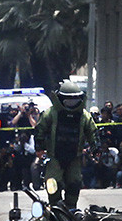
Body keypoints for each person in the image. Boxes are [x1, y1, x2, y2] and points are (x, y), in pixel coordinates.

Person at [34, 80, 98, 210]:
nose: (71, 103)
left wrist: (95, 148)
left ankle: (71, 208)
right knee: (52, 183)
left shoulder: (84, 116)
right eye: (68, 100)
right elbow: (39, 130)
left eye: (74, 100)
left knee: (74, 183)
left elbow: (92, 132)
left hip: (75, 156)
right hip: (54, 156)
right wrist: (39, 148)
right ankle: (55, 206)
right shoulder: (51, 113)